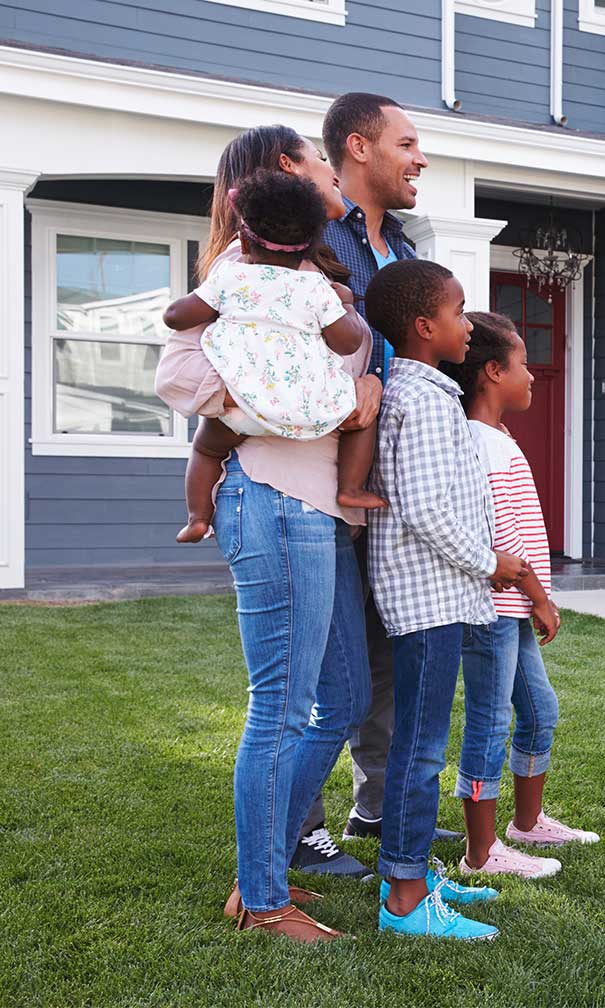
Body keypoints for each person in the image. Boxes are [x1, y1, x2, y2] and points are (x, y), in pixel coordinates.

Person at [154, 124, 381, 940]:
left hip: (318, 503)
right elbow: (179, 374)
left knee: (342, 697)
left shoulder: (311, 276)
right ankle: (261, 899)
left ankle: (269, 866)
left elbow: (343, 360)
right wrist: (274, 401)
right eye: (319, 159)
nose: (331, 169)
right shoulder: (237, 275)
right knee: (282, 707)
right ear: (289, 173)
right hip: (275, 497)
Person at [291, 93, 465, 874]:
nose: (420, 157)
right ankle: (299, 829)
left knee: (387, 656)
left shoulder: (397, 245)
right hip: (318, 486)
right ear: (358, 148)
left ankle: (378, 809)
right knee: (321, 675)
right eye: (408, 142)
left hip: (388, 490)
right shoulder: (307, 237)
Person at [364, 259, 526, 940]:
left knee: (420, 744)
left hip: (435, 596)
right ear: (426, 327)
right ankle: (404, 897)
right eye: (460, 313)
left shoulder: (426, 391)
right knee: (421, 751)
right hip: (427, 600)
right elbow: (427, 509)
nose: (469, 325)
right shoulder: (425, 399)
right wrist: (492, 561)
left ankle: (412, 873)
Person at [438, 311, 598, 879]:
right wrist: (539, 595)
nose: (532, 376)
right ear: (490, 372)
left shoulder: (497, 437)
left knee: (539, 712)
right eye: (524, 365)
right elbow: (497, 535)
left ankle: (526, 824)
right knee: (488, 723)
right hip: (490, 610)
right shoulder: (480, 444)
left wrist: (531, 600)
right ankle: (480, 854)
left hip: (511, 609)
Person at [165, 168, 384, 544]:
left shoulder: (230, 278)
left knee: (205, 447)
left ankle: (198, 516)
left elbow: (176, 317)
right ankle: (350, 487)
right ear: (313, 245)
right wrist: (345, 305)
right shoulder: (317, 288)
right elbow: (347, 343)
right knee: (363, 416)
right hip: (311, 412)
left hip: (242, 411)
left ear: (245, 245)